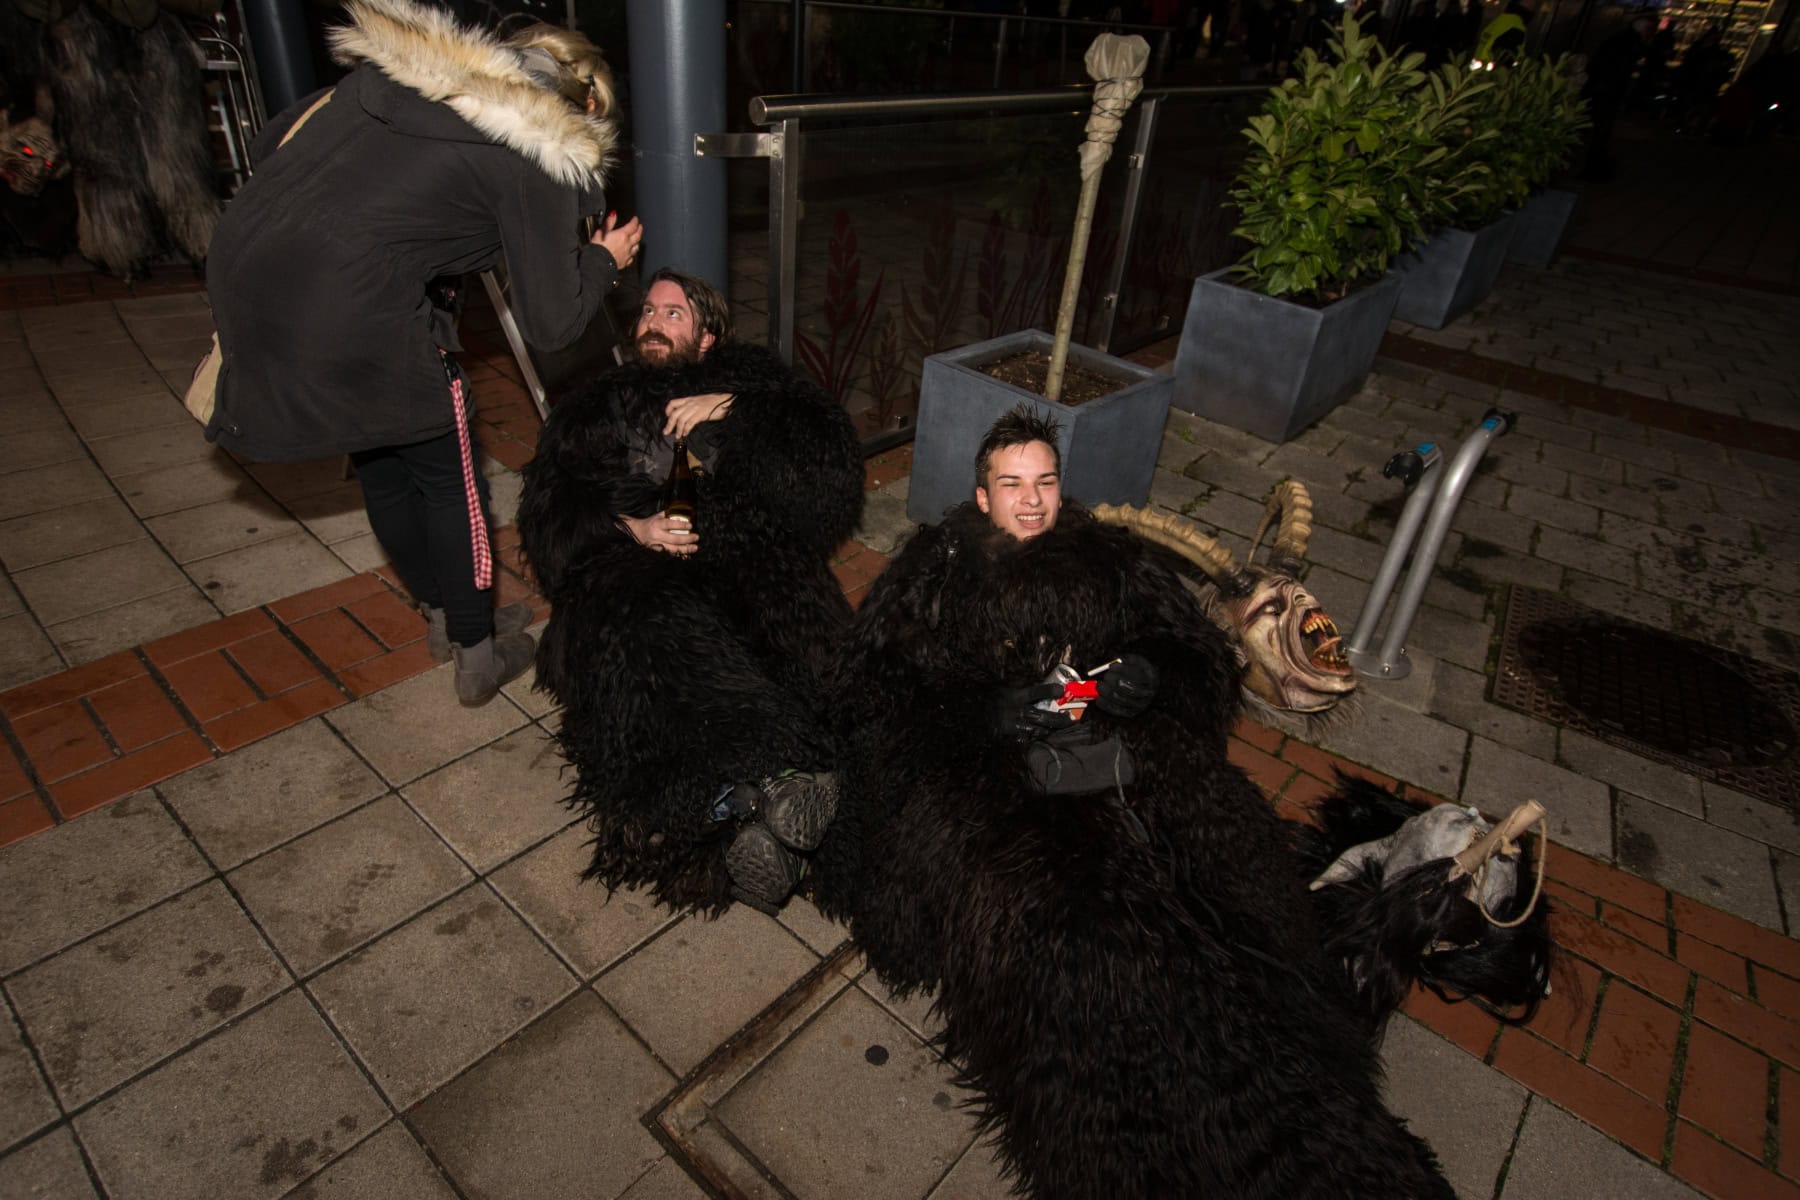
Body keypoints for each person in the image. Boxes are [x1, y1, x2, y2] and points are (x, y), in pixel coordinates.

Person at [811, 406, 1453, 1198]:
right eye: (1012, 484)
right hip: (1000, 784)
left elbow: (1196, 656)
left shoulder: (1111, 558)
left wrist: (1152, 678)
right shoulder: (933, 573)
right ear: (982, 496)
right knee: (1082, 948)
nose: (1032, 500)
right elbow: (871, 692)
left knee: (1231, 883)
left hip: (1129, 756)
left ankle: (1298, 1086)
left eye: (1045, 481)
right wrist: (979, 716)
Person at [203, 0, 643, 707]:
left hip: (247, 268)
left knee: (384, 463)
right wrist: (602, 259)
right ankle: (475, 653)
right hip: (353, 310)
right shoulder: (533, 150)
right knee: (450, 479)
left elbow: (272, 142)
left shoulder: (400, 77)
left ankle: (445, 613)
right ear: (584, 104)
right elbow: (553, 322)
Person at [517, 269, 864, 916]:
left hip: (737, 552)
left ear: (707, 337)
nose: (654, 321)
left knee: (796, 634)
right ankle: (756, 801)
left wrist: (734, 406)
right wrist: (634, 528)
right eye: (648, 311)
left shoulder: (752, 384)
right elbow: (548, 518)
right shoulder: (598, 406)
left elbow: (829, 476)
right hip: (629, 573)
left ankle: (774, 803)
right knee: (661, 648)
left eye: (673, 313)